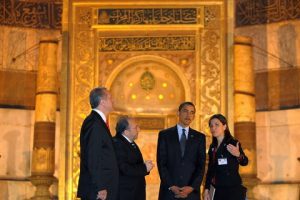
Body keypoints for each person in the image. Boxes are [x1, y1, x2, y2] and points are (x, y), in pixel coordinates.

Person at [157, 102, 206, 200]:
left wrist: (191, 187)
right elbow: (161, 163)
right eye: (185, 111)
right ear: (178, 113)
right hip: (169, 192)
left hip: (191, 193)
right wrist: (171, 186)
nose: (188, 115)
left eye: (192, 112)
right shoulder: (164, 135)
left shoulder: (199, 137)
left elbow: (201, 165)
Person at [77, 87, 119, 200]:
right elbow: (93, 157)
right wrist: (100, 187)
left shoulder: (98, 122)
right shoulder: (94, 123)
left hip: (104, 187)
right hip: (97, 191)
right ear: (102, 102)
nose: (113, 100)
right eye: (110, 98)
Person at [204, 114, 248, 200]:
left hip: (233, 190)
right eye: (211, 126)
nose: (213, 128)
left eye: (217, 125)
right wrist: (206, 189)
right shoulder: (213, 147)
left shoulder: (233, 143)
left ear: (224, 126)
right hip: (218, 190)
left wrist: (238, 155)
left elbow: (245, 162)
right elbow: (210, 170)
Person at [113, 116, 154, 200]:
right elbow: (124, 168)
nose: (139, 129)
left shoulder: (129, 142)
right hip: (126, 194)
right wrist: (144, 167)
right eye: (136, 127)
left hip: (134, 193)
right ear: (126, 131)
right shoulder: (117, 143)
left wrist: (145, 167)